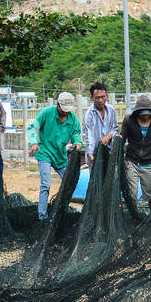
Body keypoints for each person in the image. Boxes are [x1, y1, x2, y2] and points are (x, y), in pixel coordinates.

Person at [27, 92, 83, 221]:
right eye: (63, 110)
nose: (65, 113)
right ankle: (42, 216)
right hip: (45, 151)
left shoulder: (73, 118)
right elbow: (33, 127)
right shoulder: (47, 112)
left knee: (69, 181)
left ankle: (62, 208)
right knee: (45, 185)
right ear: (57, 104)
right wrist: (34, 142)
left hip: (60, 154)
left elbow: (76, 133)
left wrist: (77, 143)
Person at [83, 82, 119, 166]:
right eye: (97, 98)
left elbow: (115, 128)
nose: (100, 100)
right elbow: (89, 135)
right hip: (95, 154)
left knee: (111, 176)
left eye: (103, 97)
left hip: (109, 151)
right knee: (96, 177)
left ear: (106, 96)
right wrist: (90, 153)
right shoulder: (89, 114)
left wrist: (108, 137)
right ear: (92, 98)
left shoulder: (111, 110)